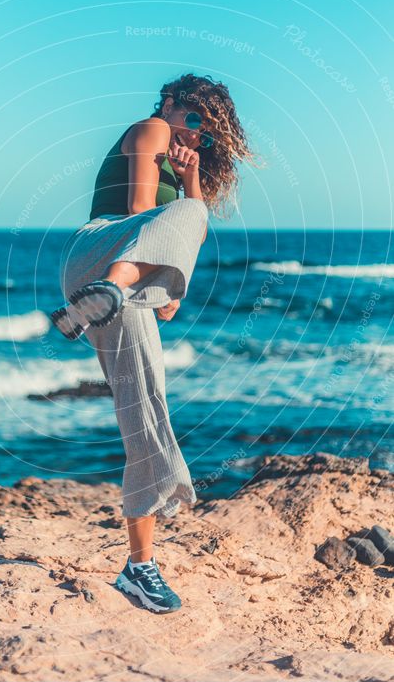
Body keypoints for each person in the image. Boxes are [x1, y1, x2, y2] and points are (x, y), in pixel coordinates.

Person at [51, 72, 254, 613]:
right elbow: (140, 214)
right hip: (96, 252)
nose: (191, 136)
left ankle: (139, 568)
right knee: (188, 212)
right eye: (191, 119)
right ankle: (108, 291)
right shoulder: (149, 130)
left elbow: (182, 253)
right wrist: (130, 279)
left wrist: (190, 185)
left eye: (204, 134)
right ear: (169, 104)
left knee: (146, 411)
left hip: (120, 282)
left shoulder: (185, 171)